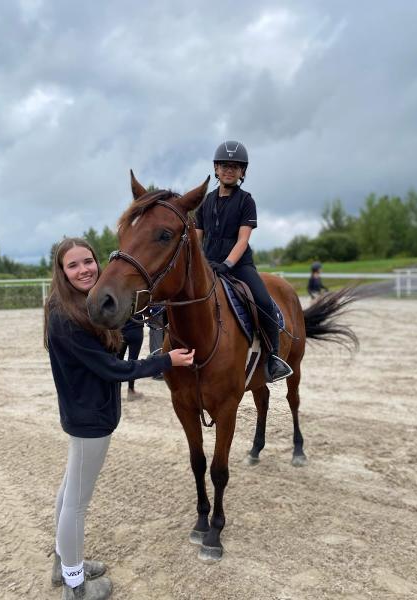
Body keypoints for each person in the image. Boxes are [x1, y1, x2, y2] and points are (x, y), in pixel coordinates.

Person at [44, 237, 194, 600]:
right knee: (77, 503)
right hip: (89, 419)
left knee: (69, 493)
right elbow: (113, 369)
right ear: (62, 272)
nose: (84, 270)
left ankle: (64, 563)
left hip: (87, 414)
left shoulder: (84, 305)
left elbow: (114, 346)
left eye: (88, 262)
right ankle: (75, 585)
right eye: (74, 265)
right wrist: (165, 361)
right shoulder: (66, 315)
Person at [195, 140, 292, 383]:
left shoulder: (246, 201)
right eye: (224, 165)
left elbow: (242, 240)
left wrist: (227, 264)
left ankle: (273, 358)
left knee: (263, 301)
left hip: (238, 266)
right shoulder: (205, 202)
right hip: (208, 267)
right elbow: (197, 239)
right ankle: (163, 351)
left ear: (242, 172)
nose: (229, 170)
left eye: (235, 166)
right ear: (216, 169)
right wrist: (199, 264)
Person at [118, 313, 145, 398]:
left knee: (117, 361)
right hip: (136, 329)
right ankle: (130, 390)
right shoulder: (138, 299)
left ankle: (117, 390)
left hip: (120, 329)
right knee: (133, 361)